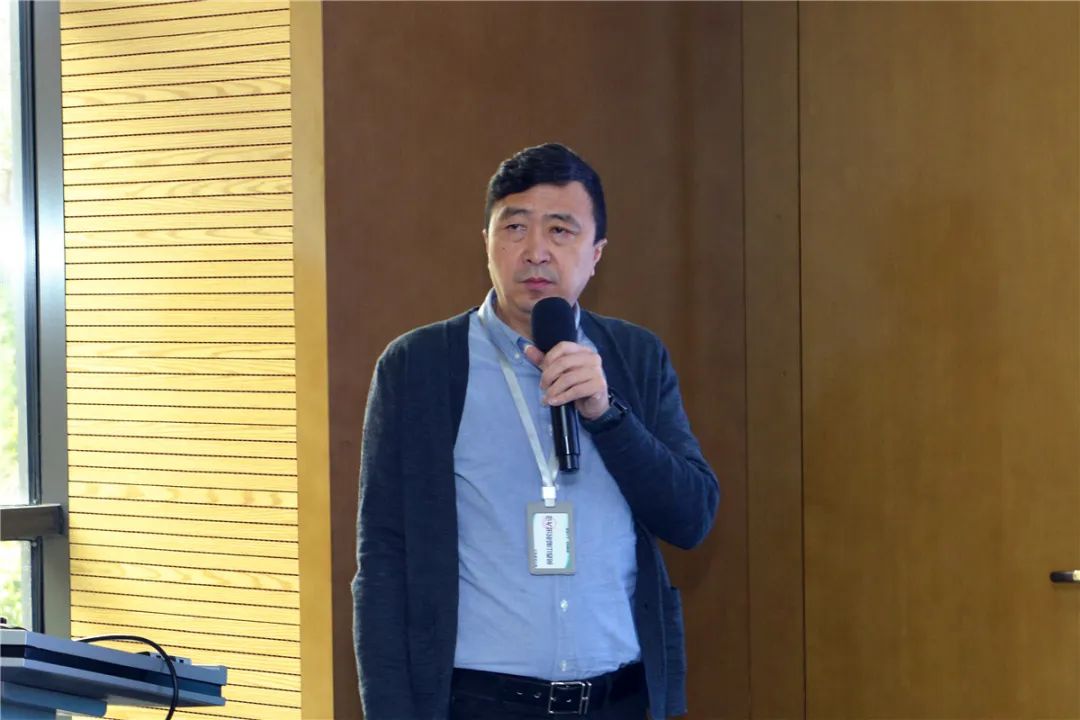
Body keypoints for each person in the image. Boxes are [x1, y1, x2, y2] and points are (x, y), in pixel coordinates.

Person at [353, 143, 719, 720]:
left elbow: (691, 518)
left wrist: (607, 415)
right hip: (478, 703)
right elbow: (382, 556)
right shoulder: (418, 366)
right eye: (515, 227)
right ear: (487, 244)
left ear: (596, 254)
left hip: (620, 699)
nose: (535, 251)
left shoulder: (635, 357)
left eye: (560, 230)